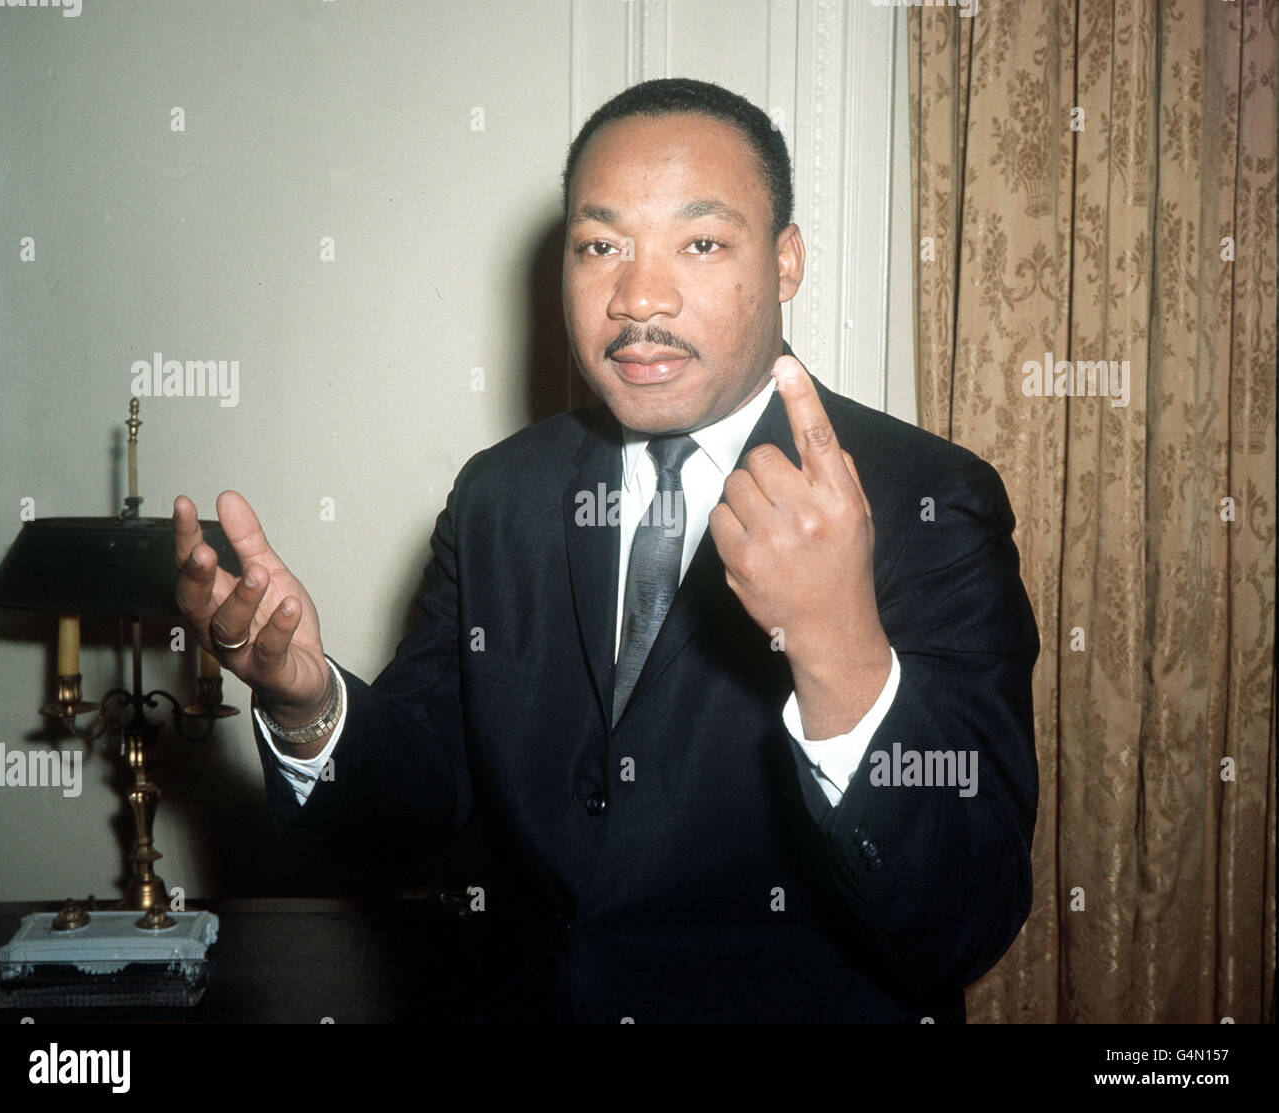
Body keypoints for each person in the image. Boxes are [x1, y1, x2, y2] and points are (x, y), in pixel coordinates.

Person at [173, 78, 1039, 1023]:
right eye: (600, 246)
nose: (638, 297)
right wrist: (310, 705)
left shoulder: (926, 499)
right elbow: (422, 794)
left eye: (701, 243)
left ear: (787, 262)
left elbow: (963, 917)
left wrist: (840, 650)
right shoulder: (501, 494)